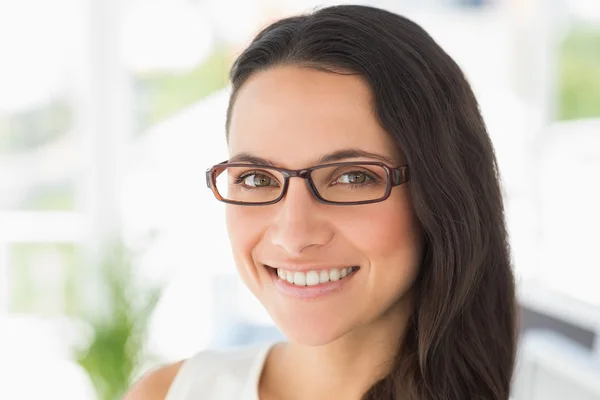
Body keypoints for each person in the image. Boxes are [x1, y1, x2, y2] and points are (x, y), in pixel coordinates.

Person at [124, 4, 517, 400]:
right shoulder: (167, 394)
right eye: (257, 179)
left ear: (442, 193)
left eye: (352, 177)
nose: (294, 236)